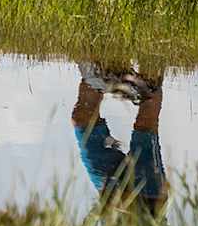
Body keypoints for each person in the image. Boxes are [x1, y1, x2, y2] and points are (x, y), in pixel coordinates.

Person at [71, 61, 168, 217]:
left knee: (82, 120)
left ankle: (101, 65)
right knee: (145, 126)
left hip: (109, 195)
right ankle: (153, 56)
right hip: (147, 200)